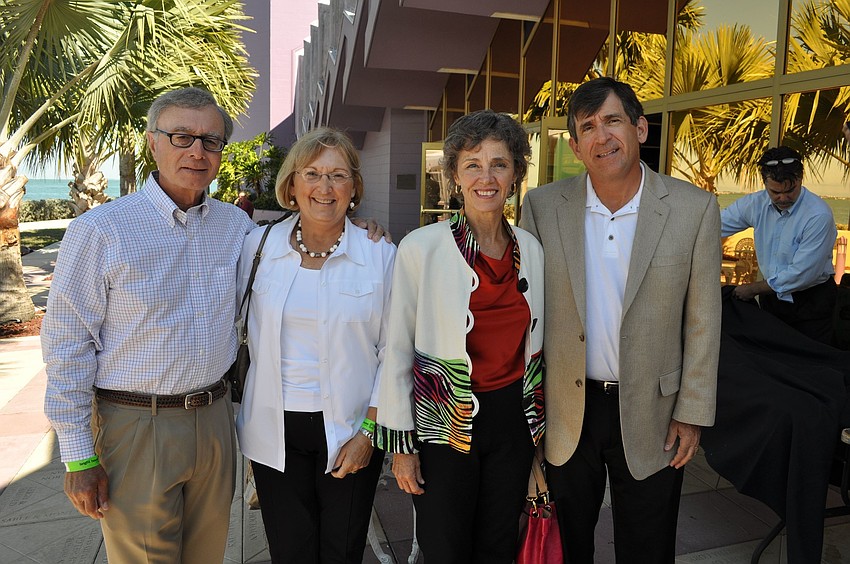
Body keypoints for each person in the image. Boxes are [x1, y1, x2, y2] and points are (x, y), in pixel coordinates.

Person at [42, 87, 386, 563]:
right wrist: (78, 455)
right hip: (137, 424)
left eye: (211, 141)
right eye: (181, 137)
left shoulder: (237, 229)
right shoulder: (101, 230)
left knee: (208, 555)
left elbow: (313, 233)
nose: (197, 152)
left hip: (217, 421)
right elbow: (67, 345)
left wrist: (361, 229)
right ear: (152, 142)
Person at [520, 77, 720, 563]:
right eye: (587, 127)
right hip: (568, 410)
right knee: (567, 547)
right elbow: (524, 313)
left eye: (612, 121)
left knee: (647, 547)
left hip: (653, 410)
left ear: (640, 129)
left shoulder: (694, 209)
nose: (601, 136)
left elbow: (703, 320)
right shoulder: (543, 207)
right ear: (574, 145)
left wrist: (692, 413)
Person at [376, 109, 545, 563]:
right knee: (444, 547)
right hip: (443, 426)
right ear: (454, 174)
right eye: (472, 164)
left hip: (513, 421)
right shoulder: (422, 247)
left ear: (516, 174)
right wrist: (402, 446)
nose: (485, 177)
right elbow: (396, 350)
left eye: (499, 163)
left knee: (497, 544)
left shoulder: (531, 250)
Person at [236, 127, 395, 563]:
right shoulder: (257, 247)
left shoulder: (380, 254)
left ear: (354, 188)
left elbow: (394, 352)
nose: (325, 187)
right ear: (291, 185)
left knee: (342, 551)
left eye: (338, 176)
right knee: (290, 552)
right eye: (312, 174)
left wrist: (369, 434)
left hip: (349, 431)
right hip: (273, 432)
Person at [721, 146, 838, 345]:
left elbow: (802, 273)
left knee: (812, 366)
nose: (783, 198)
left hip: (812, 304)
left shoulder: (818, 215)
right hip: (773, 302)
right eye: (775, 192)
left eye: (790, 190)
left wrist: (753, 289)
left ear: (801, 178)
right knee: (772, 361)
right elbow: (715, 225)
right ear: (764, 182)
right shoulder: (755, 204)